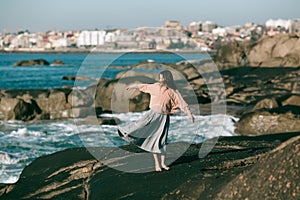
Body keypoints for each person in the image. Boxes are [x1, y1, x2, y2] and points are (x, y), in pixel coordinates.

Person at [118, 70, 194, 172]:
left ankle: (162, 164)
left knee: (161, 140)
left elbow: (182, 103)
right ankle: (124, 130)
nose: (160, 80)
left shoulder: (173, 91)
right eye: (160, 78)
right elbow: (143, 86)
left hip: (163, 118)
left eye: (162, 78)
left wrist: (189, 114)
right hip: (152, 115)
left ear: (167, 79)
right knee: (140, 125)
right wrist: (132, 86)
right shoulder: (156, 87)